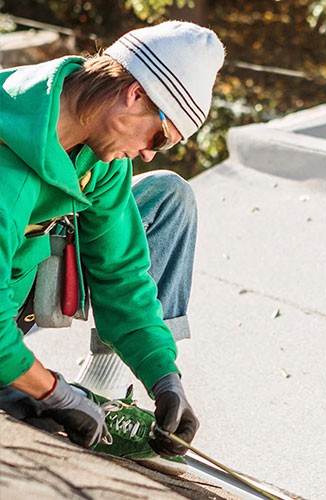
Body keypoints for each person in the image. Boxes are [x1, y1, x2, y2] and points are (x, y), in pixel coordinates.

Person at [0, 20, 225, 456]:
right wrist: (54, 394)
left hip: (16, 289)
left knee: (168, 195)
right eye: (160, 138)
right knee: (30, 401)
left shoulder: (101, 158)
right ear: (135, 94)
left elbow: (121, 272)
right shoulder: (7, 165)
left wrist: (165, 377)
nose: (149, 154)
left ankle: (99, 386)